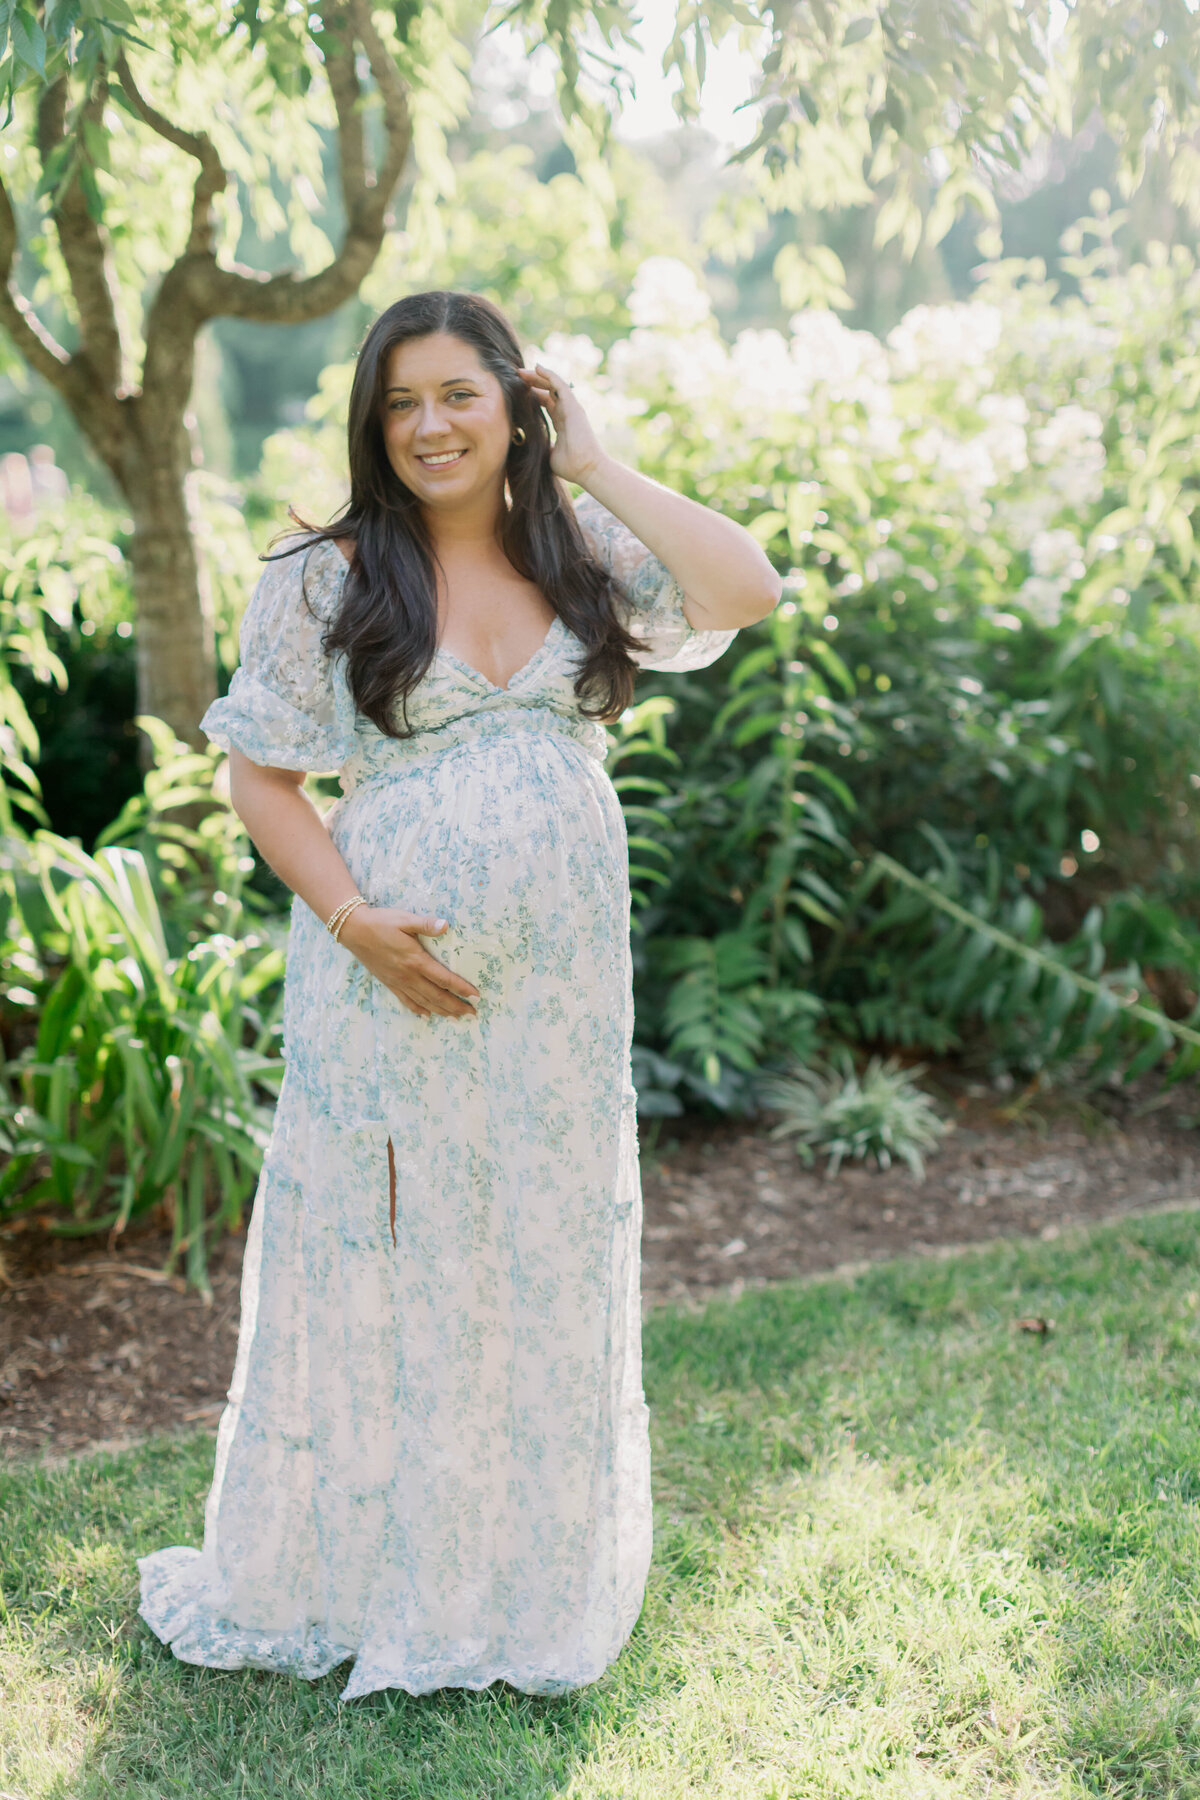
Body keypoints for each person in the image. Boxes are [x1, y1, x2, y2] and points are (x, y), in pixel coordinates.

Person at [137, 289, 780, 1700]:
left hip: (558, 1004)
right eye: (401, 401)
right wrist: (357, 921)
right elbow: (262, 773)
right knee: (390, 1250)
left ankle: (518, 1574)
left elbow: (745, 592)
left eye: (459, 396)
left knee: (536, 1249)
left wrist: (597, 459)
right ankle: (368, 1573)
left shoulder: (579, 542)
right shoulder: (328, 571)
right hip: (386, 984)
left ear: (515, 405)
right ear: (375, 421)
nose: (429, 425)